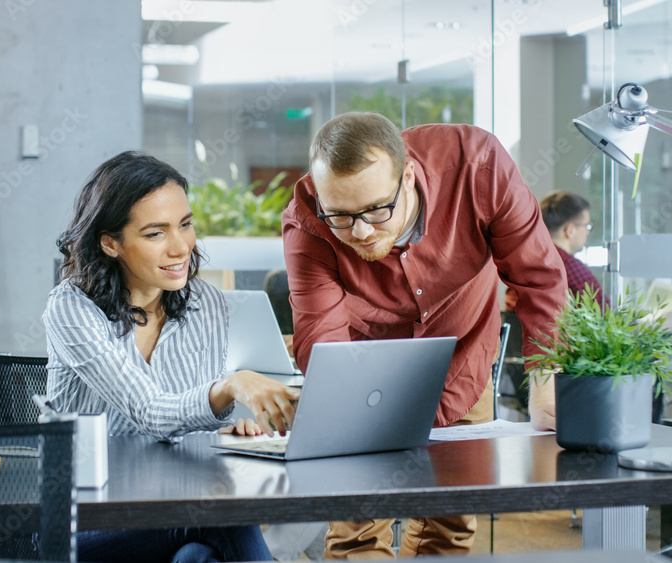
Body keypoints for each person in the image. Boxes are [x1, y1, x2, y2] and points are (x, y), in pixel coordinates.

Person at [281, 112, 567, 557]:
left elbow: (540, 279)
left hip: (463, 362)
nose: (359, 231)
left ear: (408, 175)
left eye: (377, 210)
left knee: (448, 529)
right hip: (364, 381)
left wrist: (545, 384)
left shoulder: (479, 167)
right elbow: (322, 341)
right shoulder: (307, 221)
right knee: (357, 527)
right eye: (340, 215)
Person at [44, 151, 299, 562]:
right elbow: (150, 410)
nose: (180, 247)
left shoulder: (208, 305)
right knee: (220, 516)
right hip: (86, 523)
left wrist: (233, 423)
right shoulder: (72, 309)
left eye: (185, 224)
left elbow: (188, 428)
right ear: (110, 243)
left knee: (198, 558)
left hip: (173, 507)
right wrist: (230, 386)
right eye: (155, 234)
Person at [505, 191, 605, 312]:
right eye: (587, 226)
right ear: (570, 230)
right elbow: (600, 316)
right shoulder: (570, 266)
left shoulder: (524, 261)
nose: (587, 232)